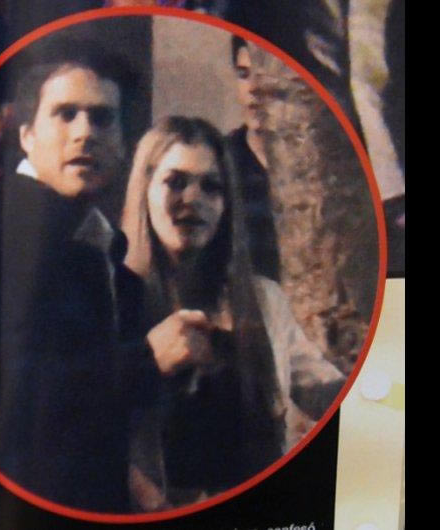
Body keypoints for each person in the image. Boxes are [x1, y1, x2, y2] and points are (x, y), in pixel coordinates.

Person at [121, 116, 345, 511]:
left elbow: (327, 391)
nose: (193, 199)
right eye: (176, 182)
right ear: (145, 190)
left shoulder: (264, 300)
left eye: (211, 186)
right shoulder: (112, 300)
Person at [0, 41, 158, 514]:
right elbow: (30, 399)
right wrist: (150, 359)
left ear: (123, 143)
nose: (84, 134)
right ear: (26, 135)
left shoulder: (93, 241)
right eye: (65, 114)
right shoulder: (9, 232)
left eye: (102, 118)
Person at [225, 35, 281, 282]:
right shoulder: (220, 161)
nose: (253, 88)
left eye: (263, 75)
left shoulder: (317, 165)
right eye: (243, 74)